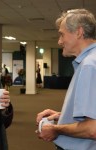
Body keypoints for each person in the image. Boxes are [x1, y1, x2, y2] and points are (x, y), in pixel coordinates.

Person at [36, 9, 96, 150]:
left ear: (79, 32)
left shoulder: (89, 65)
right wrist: (63, 116)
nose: (59, 41)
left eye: (62, 35)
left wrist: (56, 129)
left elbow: (93, 128)